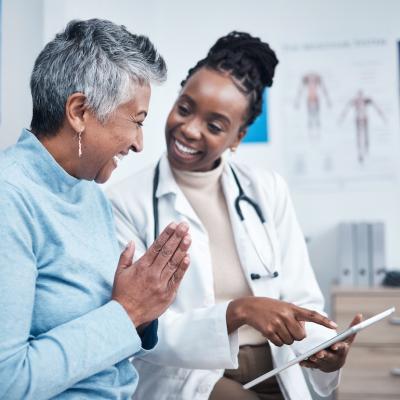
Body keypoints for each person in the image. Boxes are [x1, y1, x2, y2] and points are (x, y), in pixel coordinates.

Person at [107, 32, 360, 400]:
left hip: (280, 366)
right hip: (187, 376)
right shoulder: (125, 201)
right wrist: (237, 312)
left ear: (238, 137)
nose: (189, 129)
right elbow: (139, 324)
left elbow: (302, 298)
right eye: (185, 107)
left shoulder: (266, 189)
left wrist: (324, 351)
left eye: (214, 126)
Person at [0, 19, 192, 399]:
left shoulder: (89, 193)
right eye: (136, 122)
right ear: (79, 112)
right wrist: (128, 312)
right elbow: (9, 381)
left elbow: (109, 335)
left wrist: (145, 308)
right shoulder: (10, 199)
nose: (139, 144)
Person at [338, 89, 386, 163]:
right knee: (359, 136)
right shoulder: (355, 101)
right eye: (359, 95)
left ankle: (366, 149)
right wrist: (342, 117)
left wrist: (381, 114)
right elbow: (347, 109)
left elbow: (375, 106)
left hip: (364, 119)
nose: (360, 97)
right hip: (358, 119)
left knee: (365, 135)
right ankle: (360, 153)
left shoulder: (366, 100)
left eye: (361, 95)